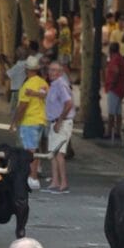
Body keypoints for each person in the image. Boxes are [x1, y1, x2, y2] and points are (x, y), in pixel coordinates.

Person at [10, 58, 49, 190]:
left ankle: (32, 178)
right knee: (35, 149)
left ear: (26, 70)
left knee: (29, 150)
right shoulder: (43, 83)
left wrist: (15, 121)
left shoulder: (27, 85)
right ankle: (33, 174)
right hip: (41, 120)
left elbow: (22, 106)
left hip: (29, 121)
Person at [43, 62, 74, 194]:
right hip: (54, 122)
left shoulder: (61, 84)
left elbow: (69, 103)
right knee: (53, 154)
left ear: (60, 72)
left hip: (61, 123)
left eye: (54, 70)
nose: (51, 72)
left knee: (59, 153)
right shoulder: (54, 85)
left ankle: (63, 183)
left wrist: (60, 120)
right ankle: (55, 182)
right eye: (50, 70)